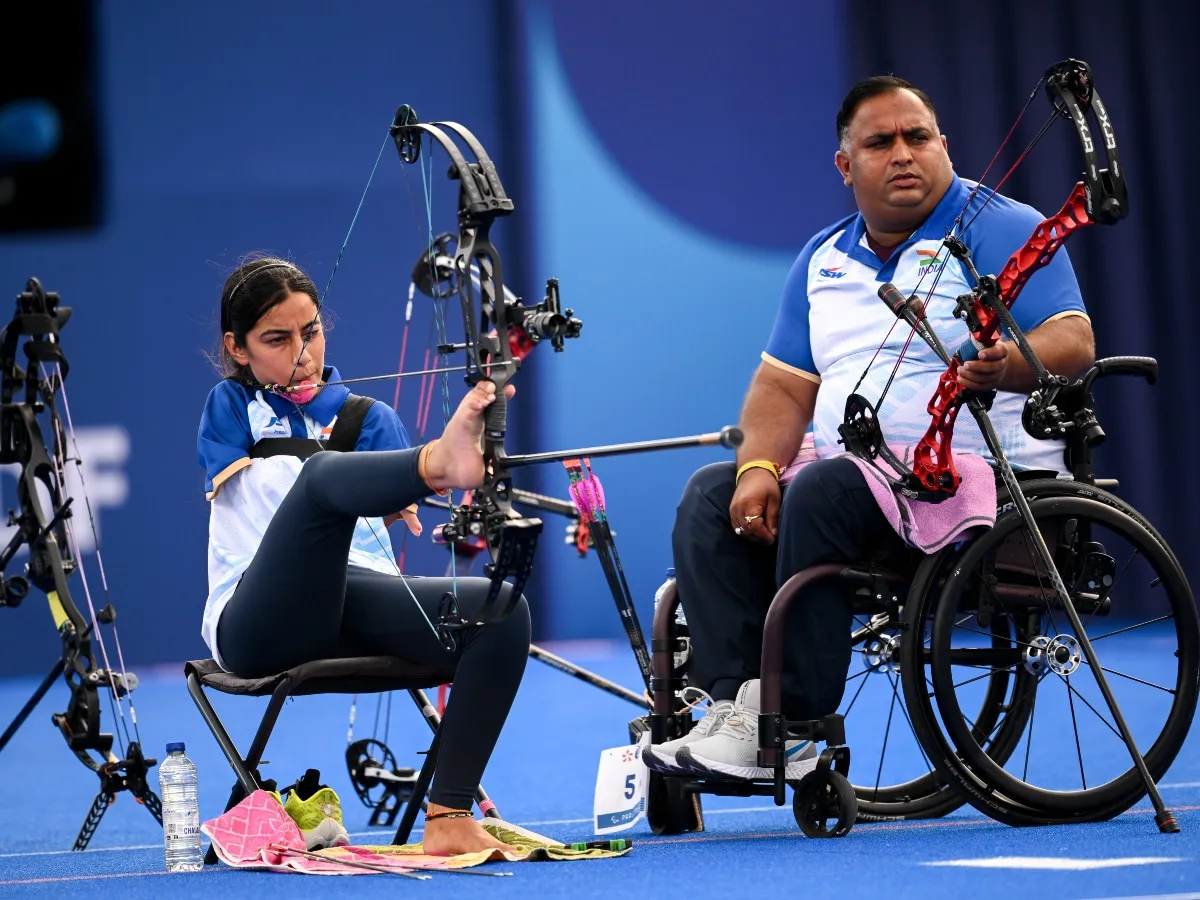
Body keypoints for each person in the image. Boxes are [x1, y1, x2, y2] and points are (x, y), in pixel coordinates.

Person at [646, 75, 1096, 780]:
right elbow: (781, 385)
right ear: (845, 165)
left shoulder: (1003, 226)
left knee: (825, 486)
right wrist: (759, 470)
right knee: (712, 493)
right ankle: (737, 709)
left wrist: (1005, 362)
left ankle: (792, 721)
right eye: (880, 143)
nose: (904, 154)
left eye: (918, 137)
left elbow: (1073, 340)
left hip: (980, 485)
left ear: (943, 143)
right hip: (864, 485)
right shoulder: (822, 259)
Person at [197, 256, 529, 855]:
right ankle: (436, 462)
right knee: (323, 479)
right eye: (277, 339)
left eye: (311, 332)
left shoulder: (370, 417)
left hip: (352, 610)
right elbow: (309, 486)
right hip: (257, 623)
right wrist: (426, 468)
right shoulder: (229, 407)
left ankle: (449, 816)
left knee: (500, 610)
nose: (302, 354)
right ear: (237, 348)